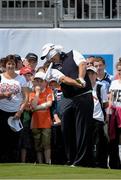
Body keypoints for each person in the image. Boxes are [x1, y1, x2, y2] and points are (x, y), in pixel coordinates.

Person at [40, 43, 94, 167]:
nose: (49, 59)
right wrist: (77, 83)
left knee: (82, 129)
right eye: (48, 57)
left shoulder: (73, 53)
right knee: (66, 129)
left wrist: (81, 78)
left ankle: (81, 161)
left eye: (49, 55)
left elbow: (82, 64)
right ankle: (71, 159)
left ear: (55, 51)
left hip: (84, 96)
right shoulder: (52, 69)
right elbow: (63, 79)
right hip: (68, 98)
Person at [0, 54, 29, 162]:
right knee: (2, 138)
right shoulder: (0, 77)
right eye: (9, 64)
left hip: (16, 114)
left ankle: (13, 162)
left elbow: (26, 97)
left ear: (16, 65)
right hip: (1, 112)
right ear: (5, 65)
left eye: (13, 64)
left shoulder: (21, 78)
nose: (11, 66)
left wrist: (20, 111)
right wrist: (4, 95)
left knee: (15, 139)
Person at [29, 71, 54, 164]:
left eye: (41, 81)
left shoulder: (49, 91)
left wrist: (35, 108)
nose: (39, 83)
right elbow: (32, 105)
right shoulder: (32, 93)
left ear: (45, 82)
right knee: (37, 145)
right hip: (35, 123)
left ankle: (48, 162)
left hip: (46, 122)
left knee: (47, 144)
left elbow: (49, 104)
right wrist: (37, 93)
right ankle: (40, 163)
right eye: (37, 81)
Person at [87, 66, 109, 168]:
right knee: (88, 142)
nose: (90, 76)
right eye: (88, 74)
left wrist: (106, 116)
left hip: (98, 118)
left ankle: (100, 163)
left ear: (96, 75)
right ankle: (90, 162)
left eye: (92, 74)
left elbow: (105, 104)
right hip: (87, 118)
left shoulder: (101, 87)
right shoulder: (83, 87)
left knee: (99, 142)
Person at [107, 59, 121, 169]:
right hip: (114, 113)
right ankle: (114, 164)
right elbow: (111, 99)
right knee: (113, 139)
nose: (120, 72)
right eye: (119, 70)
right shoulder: (114, 82)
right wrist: (108, 113)